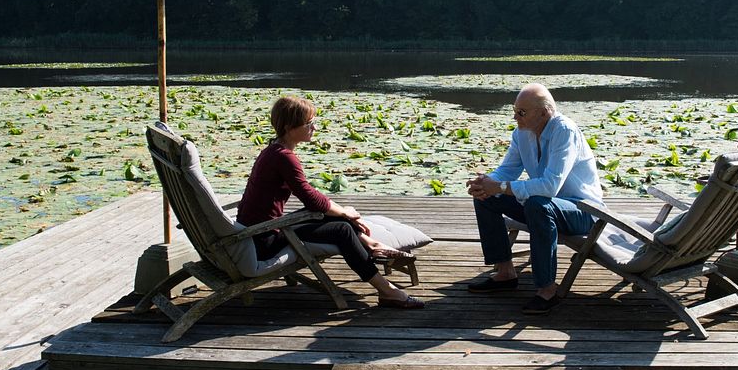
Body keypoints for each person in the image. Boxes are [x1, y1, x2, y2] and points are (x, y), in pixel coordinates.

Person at [237, 95, 423, 309]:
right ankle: (387, 290)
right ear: (289, 127)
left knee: (332, 214)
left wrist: (342, 212)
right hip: (263, 239)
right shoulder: (284, 157)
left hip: (260, 230)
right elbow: (310, 198)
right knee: (341, 229)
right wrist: (345, 212)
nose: (314, 127)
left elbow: (310, 197)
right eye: (308, 123)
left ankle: (372, 245)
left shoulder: (273, 150)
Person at [466, 83, 603, 315]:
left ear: (544, 112)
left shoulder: (564, 132)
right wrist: (485, 184)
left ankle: (547, 289)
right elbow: (506, 171)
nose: (515, 117)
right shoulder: (522, 134)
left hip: (583, 210)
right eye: (514, 110)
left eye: (521, 112)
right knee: (486, 198)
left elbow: (550, 186)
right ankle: (505, 272)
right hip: (544, 206)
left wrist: (500, 186)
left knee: (537, 204)